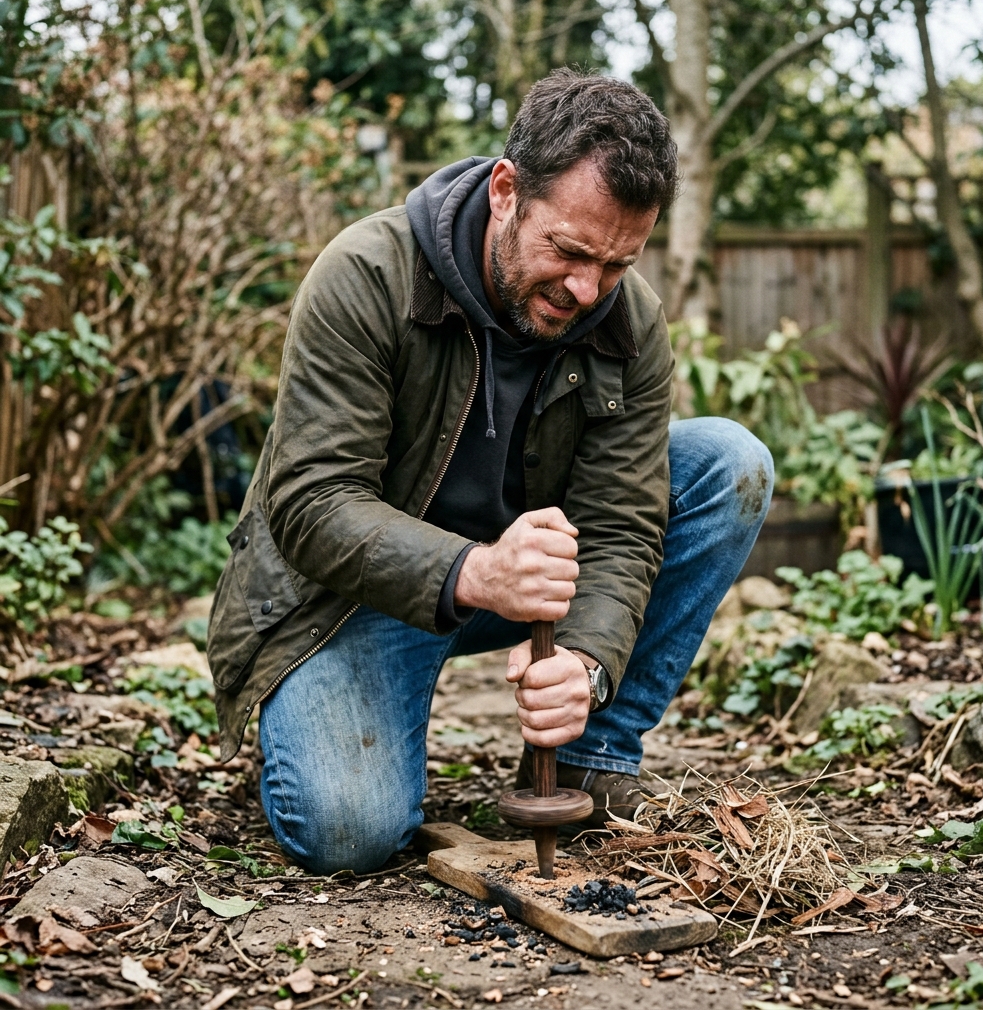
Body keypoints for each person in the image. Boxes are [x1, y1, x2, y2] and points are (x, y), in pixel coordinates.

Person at [207, 69, 773, 875]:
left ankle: (593, 759)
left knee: (728, 462)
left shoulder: (628, 320)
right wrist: (476, 570)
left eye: (616, 264)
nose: (588, 290)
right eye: (570, 251)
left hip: (528, 586)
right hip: (355, 597)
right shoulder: (367, 276)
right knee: (349, 834)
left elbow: (621, 525)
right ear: (507, 190)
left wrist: (585, 661)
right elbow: (312, 502)